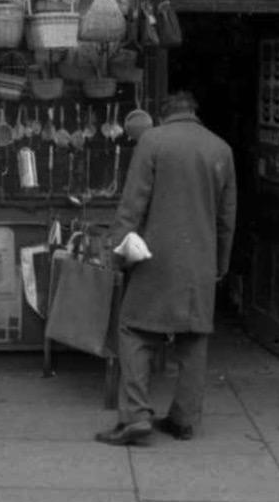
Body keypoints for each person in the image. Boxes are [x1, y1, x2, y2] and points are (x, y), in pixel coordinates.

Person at [96, 89, 236, 447]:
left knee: (134, 331)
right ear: (195, 113)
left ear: (163, 114)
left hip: (155, 259)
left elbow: (133, 202)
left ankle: (135, 416)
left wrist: (116, 248)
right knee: (193, 338)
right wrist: (219, 265)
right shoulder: (221, 149)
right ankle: (183, 419)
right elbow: (226, 218)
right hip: (200, 262)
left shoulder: (152, 141)